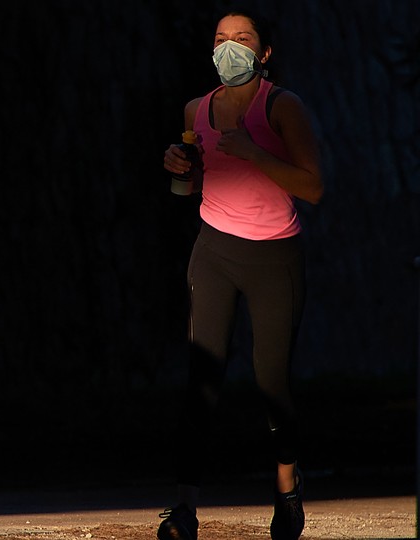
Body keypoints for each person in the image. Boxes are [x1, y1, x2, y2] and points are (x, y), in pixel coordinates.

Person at [157, 10, 323, 540]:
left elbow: (314, 187)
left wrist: (254, 152)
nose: (230, 48)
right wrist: (180, 168)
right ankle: (184, 509)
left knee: (270, 380)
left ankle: (286, 486)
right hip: (215, 250)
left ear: (264, 53)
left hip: (275, 256)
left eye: (243, 39)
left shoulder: (282, 106)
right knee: (202, 378)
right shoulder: (195, 108)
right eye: (221, 39)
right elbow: (197, 184)